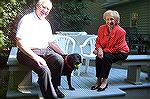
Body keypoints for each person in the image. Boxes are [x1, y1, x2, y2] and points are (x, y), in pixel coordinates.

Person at [16, 0, 65, 98]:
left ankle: (55, 87)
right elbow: (19, 42)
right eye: (43, 7)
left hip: (45, 51)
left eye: (48, 9)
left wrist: (64, 54)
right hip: (27, 52)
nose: (45, 10)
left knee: (59, 60)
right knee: (44, 70)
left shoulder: (46, 23)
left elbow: (51, 42)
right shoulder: (27, 19)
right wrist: (36, 57)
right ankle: (50, 96)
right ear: (37, 6)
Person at [91, 10, 129, 92]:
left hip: (121, 52)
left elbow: (117, 48)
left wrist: (101, 51)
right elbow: (98, 42)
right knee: (99, 57)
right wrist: (99, 50)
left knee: (106, 57)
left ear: (116, 20)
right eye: (107, 19)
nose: (109, 21)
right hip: (106, 50)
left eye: (111, 19)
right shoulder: (101, 28)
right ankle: (98, 80)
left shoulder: (121, 32)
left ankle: (104, 81)